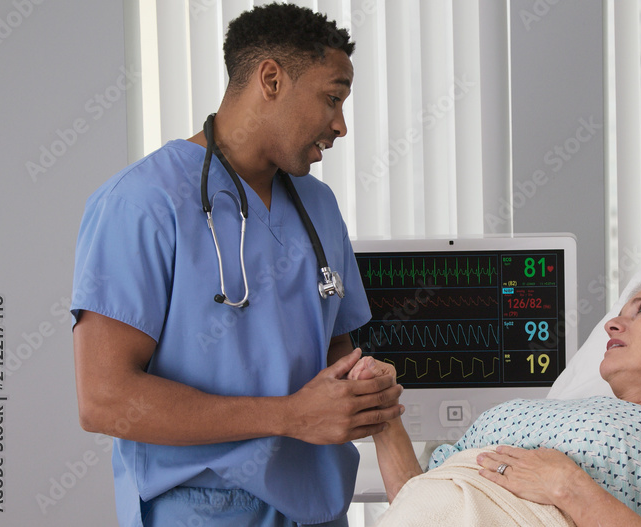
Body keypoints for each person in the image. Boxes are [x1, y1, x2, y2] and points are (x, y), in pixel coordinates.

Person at [71, 5, 402, 526]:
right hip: (202, 510)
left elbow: (337, 345)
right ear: (271, 78)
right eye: (332, 98)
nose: (339, 125)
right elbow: (106, 399)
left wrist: (361, 388)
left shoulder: (318, 206)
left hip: (317, 508)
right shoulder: (142, 202)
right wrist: (291, 416)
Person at [351, 278, 641, 526]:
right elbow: (417, 500)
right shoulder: (549, 408)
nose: (612, 323)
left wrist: (570, 489)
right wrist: (384, 414)